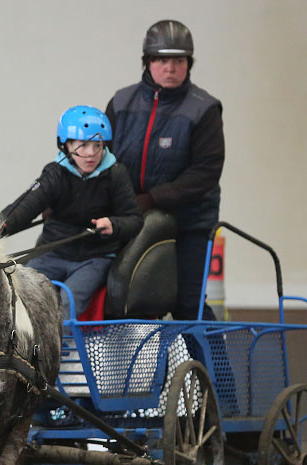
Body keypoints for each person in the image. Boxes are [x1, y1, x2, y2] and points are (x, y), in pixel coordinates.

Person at [104, 19, 224, 320]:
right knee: (125, 298)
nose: (170, 68)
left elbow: (206, 172)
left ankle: (212, 354)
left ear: (189, 64)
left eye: (179, 61)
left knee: (188, 305)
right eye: (161, 60)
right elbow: (100, 158)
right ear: (147, 62)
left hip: (189, 223)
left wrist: (153, 198)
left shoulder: (204, 109)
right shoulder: (121, 102)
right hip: (133, 219)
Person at [0, 105, 142, 318]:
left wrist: (113, 225)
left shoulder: (116, 174)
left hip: (94, 258)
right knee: (20, 293)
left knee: (67, 304)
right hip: (53, 252)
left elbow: (135, 219)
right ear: (66, 145)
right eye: (83, 145)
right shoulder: (56, 172)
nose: (91, 153)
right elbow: (27, 205)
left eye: (97, 145)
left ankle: (63, 341)